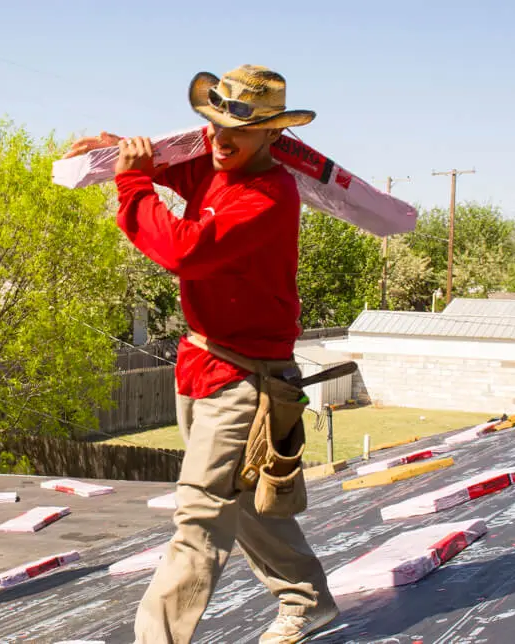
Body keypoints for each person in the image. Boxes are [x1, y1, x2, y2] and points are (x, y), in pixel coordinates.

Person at [64, 65, 338, 644]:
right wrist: (122, 149)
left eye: (239, 129)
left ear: (273, 137)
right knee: (246, 505)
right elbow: (175, 164)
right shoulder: (220, 166)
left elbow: (181, 251)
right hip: (203, 363)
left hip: (249, 378)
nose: (219, 138)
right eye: (213, 123)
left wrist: (133, 184)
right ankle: (307, 600)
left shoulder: (266, 194)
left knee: (200, 517)